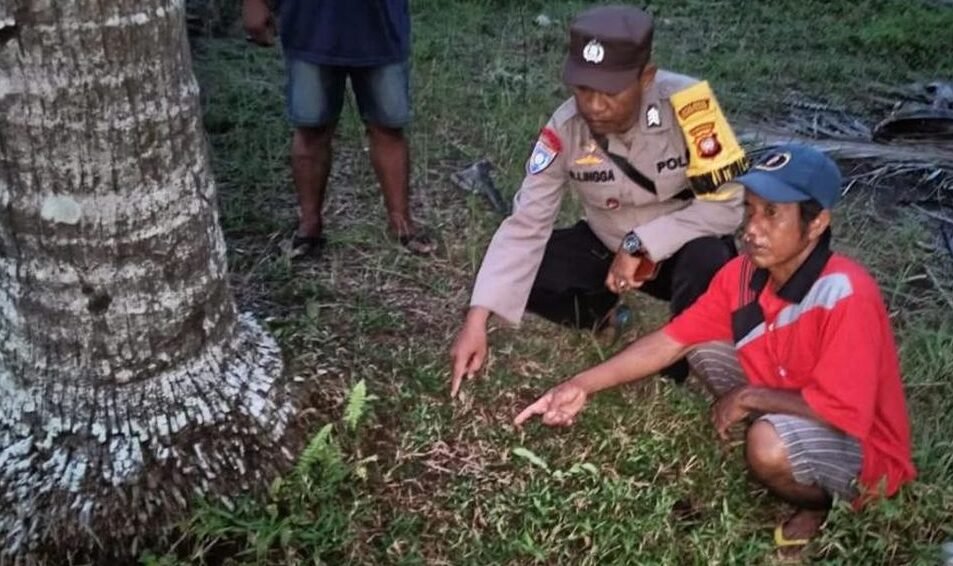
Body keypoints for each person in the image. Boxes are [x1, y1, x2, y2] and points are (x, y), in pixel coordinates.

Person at [515, 144, 916, 550]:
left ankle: (820, 506)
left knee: (766, 445)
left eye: (772, 214)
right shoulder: (743, 274)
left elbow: (844, 409)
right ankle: (772, 428)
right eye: (751, 209)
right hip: (790, 394)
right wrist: (581, 385)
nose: (751, 229)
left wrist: (748, 395)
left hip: (860, 443)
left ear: (816, 224)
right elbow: (670, 342)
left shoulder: (845, 292)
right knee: (701, 343)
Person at [450, 5, 746, 395]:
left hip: (683, 247)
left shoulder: (692, 108)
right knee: (525, 275)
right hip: (608, 247)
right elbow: (527, 225)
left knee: (710, 261)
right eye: (583, 88)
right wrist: (477, 319)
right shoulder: (565, 127)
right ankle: (599, 314)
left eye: (610, 91)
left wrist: (641, 243)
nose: (593, 105)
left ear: (646, 78)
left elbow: (727, 206)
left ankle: (677, 356)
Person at [242, 0, 434, 257]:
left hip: (381, 28)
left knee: (388, 128)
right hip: (310, 27)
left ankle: (402, 224)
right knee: (311, 129)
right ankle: (309, 228)